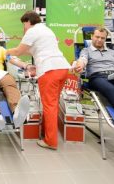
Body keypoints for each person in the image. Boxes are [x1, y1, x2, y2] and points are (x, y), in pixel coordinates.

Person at [6, 11, 70, 150]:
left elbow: (18, 51)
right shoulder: (47, 30)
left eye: (24, 24)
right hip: (63, 68)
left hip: (49, 70)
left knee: (49, 106)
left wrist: (4, 51)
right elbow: (32, 50)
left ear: (27, 22)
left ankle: (50, 141)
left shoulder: (32, 31)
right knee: (53, 104)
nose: (24, 27)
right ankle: (46, 133)